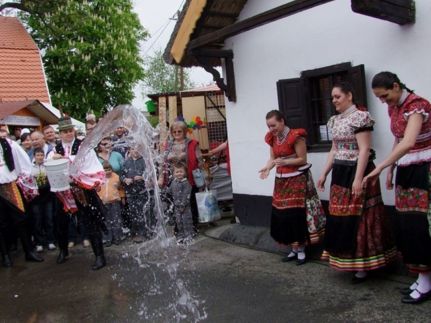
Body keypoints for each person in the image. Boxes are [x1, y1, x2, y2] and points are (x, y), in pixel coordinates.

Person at [317, 82, 396, 283]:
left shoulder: (360, 117)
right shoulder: (334, 120)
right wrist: (325, 173)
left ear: (349, 95)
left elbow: (364, 149)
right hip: (340, 172)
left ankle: (363, 265)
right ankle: (347, 260)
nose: (334, 100)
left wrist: (359, 178)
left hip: (358, 170)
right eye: (332, 97)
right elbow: (334, 150)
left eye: (337, 96)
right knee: (340, 214)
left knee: (361, 215)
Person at [363, 72, 431, 304]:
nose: (384, 102)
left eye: (385, 96)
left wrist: (382, 166)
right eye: (380, 98)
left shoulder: (417, 105)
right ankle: (423, 277)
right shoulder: (394, 107)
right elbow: (398, 138)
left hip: (425, 168)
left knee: (421, 223)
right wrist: (392, 169)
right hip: (406, 167)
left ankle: (426, 279)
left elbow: (410, 141)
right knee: (408, 223)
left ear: (395, 86)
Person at [259, 110, 325, 265]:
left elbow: (303, 159)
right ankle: (293, 249)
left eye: (274, 125)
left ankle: (301, 250)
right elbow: (273, 158)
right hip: (281, 181)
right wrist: (267, 168)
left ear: (282, 121)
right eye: (269, 126)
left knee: (296, 214)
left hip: (297, 179)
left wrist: (286, 162)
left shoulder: (296, 136)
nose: (271, 129)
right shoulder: (272, 139)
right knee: (283, 214)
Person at [47, 115, 106, 270]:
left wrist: (68, 164)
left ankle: (99, 256)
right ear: (59, 134)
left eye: (70, 130)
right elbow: (50, 168)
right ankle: (64, 251)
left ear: (74, 130)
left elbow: (90, 164)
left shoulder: (83, 146)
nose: (68, 133)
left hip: (81, 189)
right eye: (64, 131)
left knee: (91, 221)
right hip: (62, 191)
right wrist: (55, 160)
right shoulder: (55, 149)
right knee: (60, 222)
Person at [0, 128, 43, 267]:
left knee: (21, 219)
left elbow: (23, 163)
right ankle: (5, 255)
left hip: (9, 185)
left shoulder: (9, 143)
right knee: (1, 223)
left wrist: (23, 179)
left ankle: (29, 251)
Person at [160, 120, 204, 232]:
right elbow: (163, 162)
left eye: (179, 131)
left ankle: (192, 227)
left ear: (184, 131)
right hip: (173, 180)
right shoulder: (168, 145)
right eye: (174, 132)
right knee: (175, 204)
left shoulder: (193, 143)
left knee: (191, 203)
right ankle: (179, 227)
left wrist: (205, 177)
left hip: (189, 179)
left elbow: (200, 161)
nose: (177, 133)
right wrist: (161, 177)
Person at [121, 146, 154, 242]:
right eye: (133, 149)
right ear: (129, 151)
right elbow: (121, 175)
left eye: (138, 149)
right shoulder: (126, 162)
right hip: (130, 192)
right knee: (133, 212)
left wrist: (142, 177)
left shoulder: (145, 161)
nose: (135, 151)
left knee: (144, 211)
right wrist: (125, 179)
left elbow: (151, 175)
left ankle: (147, 232)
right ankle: (137, 232)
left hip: (143, 191)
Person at [30, 147, 56, 252]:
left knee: (49, 220)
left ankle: (50, 241)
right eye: (38, 155)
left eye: (41, 155)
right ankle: (39, 242)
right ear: (34, 156)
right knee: (37, 221)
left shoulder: (47, 166)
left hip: (48, 197)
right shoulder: (30, 167)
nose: (40, 157)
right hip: (36, 199)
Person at [167, 162, 195, 243]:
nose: (179, 173)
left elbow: (187, 195)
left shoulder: (186, 183)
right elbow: (169, 191)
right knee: (178, 221)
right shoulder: (173, 182)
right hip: (176, 207)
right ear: (173, 173)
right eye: (177, 172)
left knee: (187, 220)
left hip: (185, 207)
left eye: (181, 171)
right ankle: (181, 235)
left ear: (185, 173)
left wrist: (183, 205)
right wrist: (164, 191)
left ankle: (189, 235)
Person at [98, 161, 123, 246]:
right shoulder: (99, 178)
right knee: (106, 221)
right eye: (105, 170)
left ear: (111, 169)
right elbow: (97, 190)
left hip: (114, 201)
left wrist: (122, 197)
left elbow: (120, 188)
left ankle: (117, 237)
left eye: (109, 169)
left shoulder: (116, 177)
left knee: (116, 220)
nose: (107, 171)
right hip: (104, 202)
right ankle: (108, 238)